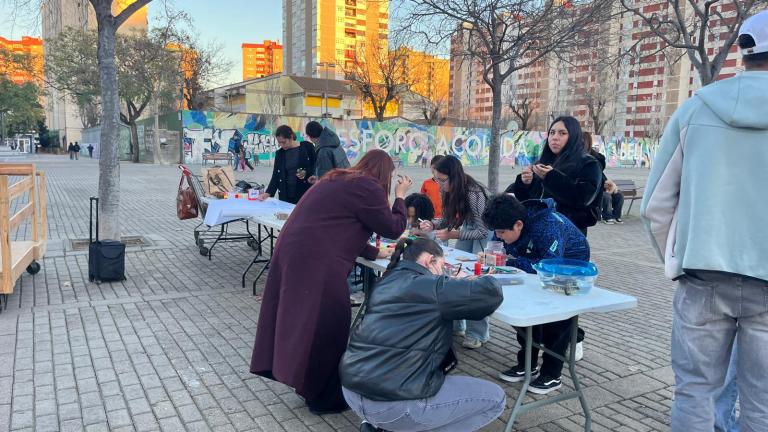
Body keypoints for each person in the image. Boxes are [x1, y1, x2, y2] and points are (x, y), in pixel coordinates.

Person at [640, 12, 768, 432]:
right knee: (762, 405)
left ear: (743, 51)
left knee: (694, 392)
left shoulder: (696, 108)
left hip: (703, 274)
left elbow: (655, 205)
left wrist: (677, 258)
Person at [250, 149, 413, 415]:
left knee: (304, 321)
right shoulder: (367, 186)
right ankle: (323, 397)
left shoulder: (339, 179)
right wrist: (400, 196)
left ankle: (307, 385)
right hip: (315, 260)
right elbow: (393, 228)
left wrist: (372, 252)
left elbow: (339, 225)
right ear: (385, 174)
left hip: (296, 251)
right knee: (330, 324)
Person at [341, 237, 506, 432]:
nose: (443, 272)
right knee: (496, 398)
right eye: (442, 266)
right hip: (394, 405)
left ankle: (378, 426)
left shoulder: (385, 281)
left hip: (352, 391)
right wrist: (467, 280)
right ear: (429, 261)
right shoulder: (435, 287)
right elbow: (491, 292)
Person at [482, 194, 589, 395]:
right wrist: (493, 256)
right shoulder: (507, 221)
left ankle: (552, 375)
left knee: (557, 319)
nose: (499, 237)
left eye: (502, 233)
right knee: (526, 314)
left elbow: (547, 266)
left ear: (519, 225)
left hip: (569, 267)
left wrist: (507, 263)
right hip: (539, 260)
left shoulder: (548, 227)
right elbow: (505, 252)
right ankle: (527, 364)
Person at [419, 155, 491, 349]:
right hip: (468, 228)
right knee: (455, 274)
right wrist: (431, 223)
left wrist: (454, 233)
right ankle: (458, 323)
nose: (440, 185)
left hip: (484, 230)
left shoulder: (475, 193)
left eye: (443, 180)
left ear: (455, 177)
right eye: (437, 179)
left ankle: (478, 333)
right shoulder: (448, 190)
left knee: (476, 279)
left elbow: (483, 231)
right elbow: (446, 218)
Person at [508, 116, 602, 236]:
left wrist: (552, 177)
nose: (555, 138)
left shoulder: (589, 164)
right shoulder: (543, 163)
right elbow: (527, 201)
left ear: (573, 136)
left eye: (562, 133)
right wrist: (525, 183)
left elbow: (583, 198)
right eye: (552, 133)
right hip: (537, 231)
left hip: (568, 234)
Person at [258, 125, 316, 204]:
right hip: (285, 195)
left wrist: (306, 172)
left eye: (284, 142)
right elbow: (276, 175)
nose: (282, 145)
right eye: (279, 142)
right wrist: (267, 193)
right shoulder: (279, 153)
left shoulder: (307, 147)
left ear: (291, 137)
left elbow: (316, 165)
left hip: (304, 193)